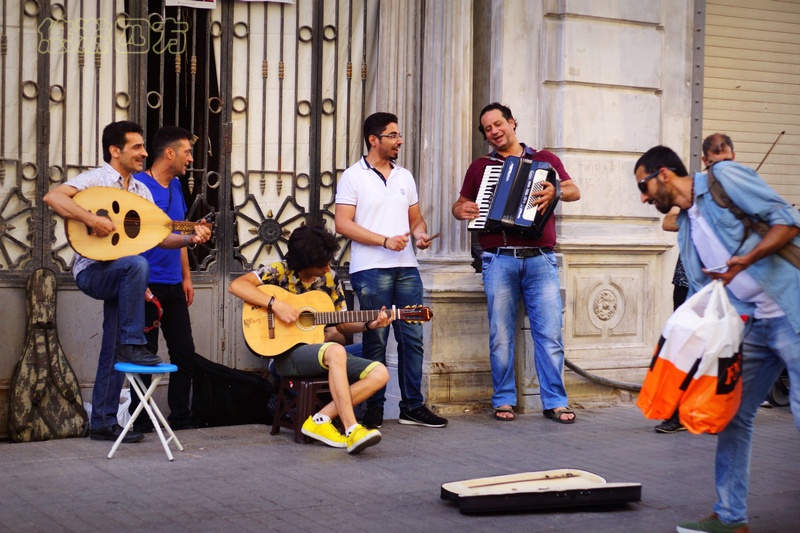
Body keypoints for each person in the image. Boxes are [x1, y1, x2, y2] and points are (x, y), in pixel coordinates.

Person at [634, 145, 800, 533]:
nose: (643, 197)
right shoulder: (688, 224)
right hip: (754, 324)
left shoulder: (724, 178)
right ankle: (730, 518)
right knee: (734, 416)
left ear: (663, 175)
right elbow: (705, 288)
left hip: (791, 307)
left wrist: (749, 258)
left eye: (643, 186)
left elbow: (788, 222)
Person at [42, 121, 211, 444]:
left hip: (124, 275)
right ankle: (135, 344)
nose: (145, 153)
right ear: (115, 151)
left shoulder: (141, 192)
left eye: (144, 147)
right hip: (93, 271)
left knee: (113, 341)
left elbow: (161, 237)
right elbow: (53, 197)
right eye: (137, 147)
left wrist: (191, 237)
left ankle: (104, 421)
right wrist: (92, 219)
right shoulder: (95, 180)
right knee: (136, 264)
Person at [452, 102, 581, 423]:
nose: (494, 131)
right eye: (488, 129)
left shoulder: (545, 160)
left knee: (549, 335)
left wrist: (556, 193)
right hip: (498, 260)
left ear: (512, 123)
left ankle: (555, 401)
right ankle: (504, 399)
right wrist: (462, 211)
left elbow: (573, 190)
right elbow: (461, 204)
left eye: (499, 124)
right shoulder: (481, 167)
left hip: (540, 259)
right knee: (500, 335)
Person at [228, 223, 391, 454]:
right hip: (284, 356)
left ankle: (320, 420)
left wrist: (370, 324)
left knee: (380, 372)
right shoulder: (278, 272)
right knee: (335, 350)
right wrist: (276, 305)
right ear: (304, 262)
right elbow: (236, 285)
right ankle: (352, 428)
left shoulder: (330, 279)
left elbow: (342, 323)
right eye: (322, 263)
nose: (327, 268)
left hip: (317, 353)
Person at [335, 112, 448, 430]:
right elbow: (343, 223)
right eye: (393, 135)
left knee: (412, 338)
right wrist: (384, 240)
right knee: (376, 339)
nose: (400, 140)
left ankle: (412, 406)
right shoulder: (353, 176)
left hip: (407, 268)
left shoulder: (405, 177)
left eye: (399, 135)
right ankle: (373, 408)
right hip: (370, 270)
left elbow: (415, 219)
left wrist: (420, 235)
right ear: (374, 139)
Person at [655, 133, 736, 434]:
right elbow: (667, 222)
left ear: (734, 157)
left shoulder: (738, 190)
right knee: (685, 345)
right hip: (688, 278)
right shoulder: (693, 188)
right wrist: (695, 214)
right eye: (715, 162)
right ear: (704, 160)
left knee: (720, 347)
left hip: (724, 283)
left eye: (726, 160)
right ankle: (677, 413)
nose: (721, 166)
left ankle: (714, 408)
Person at [129, 126, 201, 432]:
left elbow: (180, 231)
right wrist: (137, 281)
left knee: (184, 352)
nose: (191, 159)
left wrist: (187, 277)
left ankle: (180, 419)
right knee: (145, 354)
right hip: (145, 283)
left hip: (173, 283)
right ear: (169, 153)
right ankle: (141, 421)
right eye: (187, 152)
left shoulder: (175, 188)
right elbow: (129, 240)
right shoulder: (138, 186)